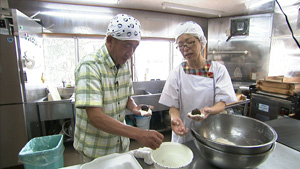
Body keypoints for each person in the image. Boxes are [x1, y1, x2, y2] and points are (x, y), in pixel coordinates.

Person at [73, 14, 164, 162]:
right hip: (96, 149)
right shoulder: (90, 66)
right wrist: (139, 134)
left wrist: (134, 108)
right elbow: (95, 116)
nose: (130, 52)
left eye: (135, 46)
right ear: (110, 40)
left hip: (120, 145)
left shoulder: (124, 63)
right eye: (127, 45)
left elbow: (125, 96)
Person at [159, 21, 237, 143]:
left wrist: (207, 110)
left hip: (210, 131)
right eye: (180, 45)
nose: (185, 49)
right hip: (184, 131)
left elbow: (222, 103)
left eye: (190, 42)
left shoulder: (218, 70)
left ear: (201, 42)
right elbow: (173, 106)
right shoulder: (177, 73)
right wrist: (174, 118)